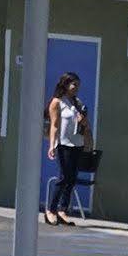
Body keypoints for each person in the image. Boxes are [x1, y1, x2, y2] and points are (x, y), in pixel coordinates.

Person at [44, 72, 91, 225]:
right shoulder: (57, 102)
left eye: (78, 85)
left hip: (77, 143)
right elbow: (54, 125)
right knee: (63, 177)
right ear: (65, 84)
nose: (76, 88)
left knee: (71, 179)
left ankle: (62, 209)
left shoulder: (77, 102)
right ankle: (50, 210)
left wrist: (83, 122)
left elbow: (84, 124)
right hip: (63, 144)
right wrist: (52, 145)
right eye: (74, 84)